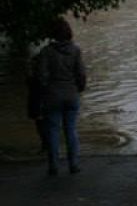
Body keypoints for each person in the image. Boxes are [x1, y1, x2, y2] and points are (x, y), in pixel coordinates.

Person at [37, 18, 87, 176]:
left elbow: (41, 76)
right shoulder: (75, 50)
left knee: (53, 131)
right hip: (71, 94)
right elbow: (81, 74)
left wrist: (45, 90)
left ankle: (53, 166)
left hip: (52, 95)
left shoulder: (46, 52)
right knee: (71, 129)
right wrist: (79, 88)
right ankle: (74, 164)